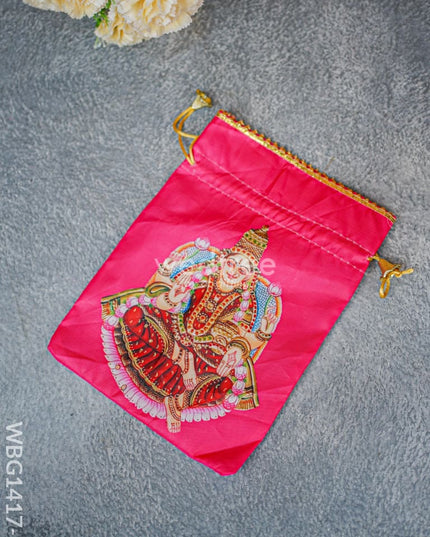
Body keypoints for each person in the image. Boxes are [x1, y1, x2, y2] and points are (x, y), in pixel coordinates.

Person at [103, 226, 280, 433]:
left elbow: (241, 336)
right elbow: (158, 291)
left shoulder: (244, 304)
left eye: (241, 271)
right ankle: (180, 357)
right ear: (223, 260)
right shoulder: (199, 275)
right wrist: (172, 296)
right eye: (232, 264)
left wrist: (243, 345)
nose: (233, 272)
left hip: (203, 353)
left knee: (226, 383)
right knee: (133, 314)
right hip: (171, 329)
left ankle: (177, 402)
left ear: (249, 277)